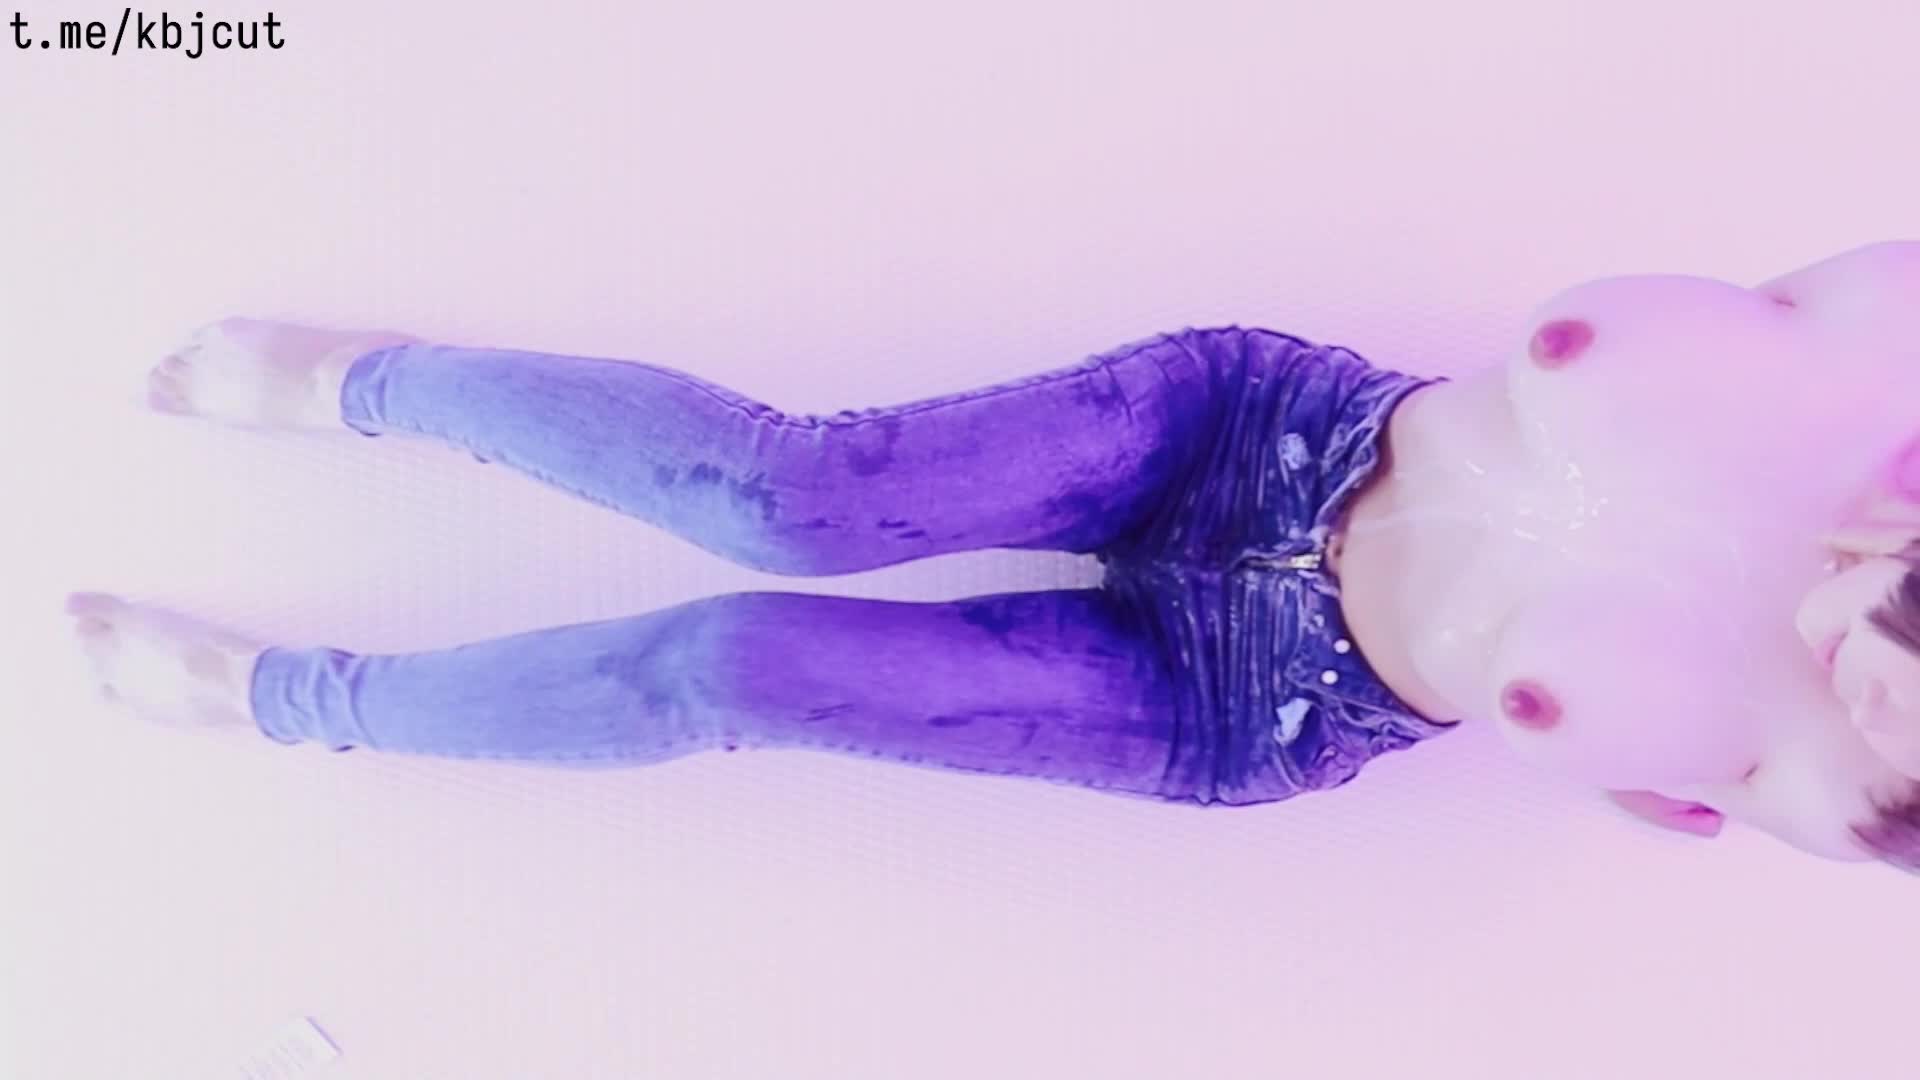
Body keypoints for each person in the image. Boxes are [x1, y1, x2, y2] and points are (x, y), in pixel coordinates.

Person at [65, 240, 1920, 873]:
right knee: (783, 499)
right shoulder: (1884, 334)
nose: (1867, 689)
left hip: (1255, 701)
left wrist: (1614, 720)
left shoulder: (1864, 800)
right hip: (1260, 433)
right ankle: (375, 384)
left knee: (736, 669)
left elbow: (1666, 796)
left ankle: (290, 700)